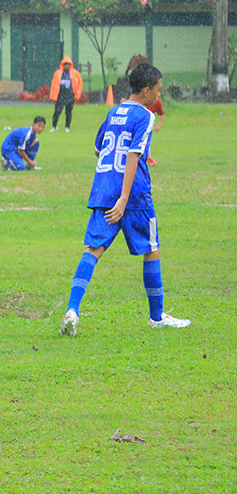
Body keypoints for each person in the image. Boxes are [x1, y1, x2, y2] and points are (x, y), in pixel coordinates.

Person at [60, 63, 189, 336]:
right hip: (134, 195)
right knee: (151, 249)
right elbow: (134, 155)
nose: (158, 96)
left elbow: (98, 149)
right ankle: (157, 317)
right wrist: (124, 198)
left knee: (93, 249)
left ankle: (72, 310)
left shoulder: (113, 111)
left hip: (103, 189)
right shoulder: (145, 115)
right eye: (157, 90)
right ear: (145, 91)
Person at [49, 56, 83, 133]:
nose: (66, 66)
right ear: (62, 65)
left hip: (70, 95)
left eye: (68, 64)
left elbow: (80, 83)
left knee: (68, 112)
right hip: (60, 95)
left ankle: (67, 127)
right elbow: (53, 85)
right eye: (65, 64)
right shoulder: (57, 73)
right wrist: (53, 96)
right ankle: (54, 126)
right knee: (57, 112)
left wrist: (77, 95)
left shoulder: (75, 73)